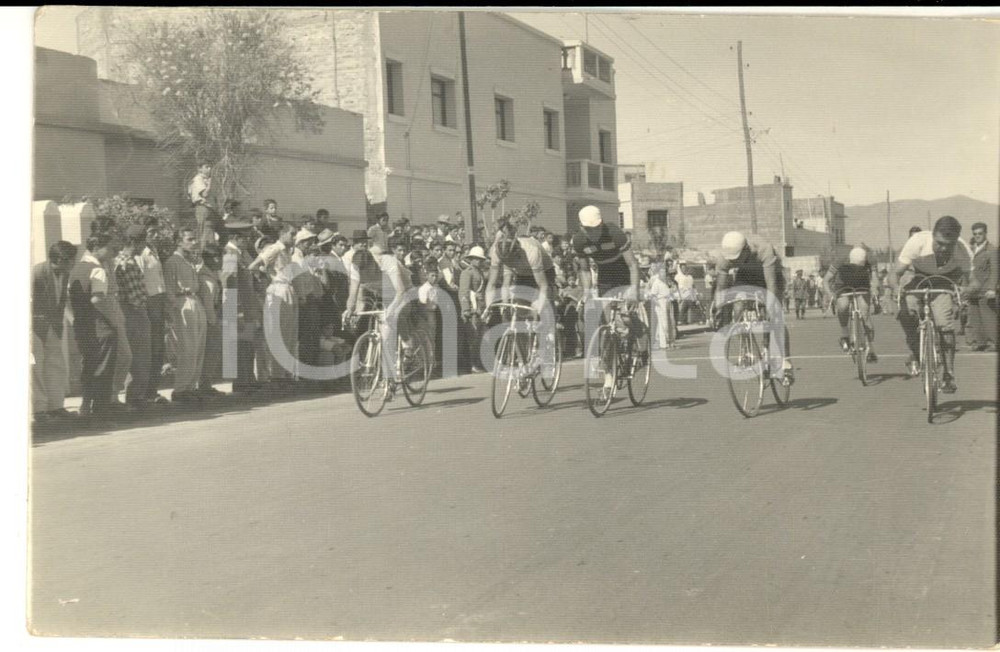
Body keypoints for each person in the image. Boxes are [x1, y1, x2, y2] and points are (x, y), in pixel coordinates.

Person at [894, 215, 971, 391]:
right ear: (933, 235)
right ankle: (914, 352)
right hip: (918, 280)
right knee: (906, 313)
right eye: (939, 243)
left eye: (949, 245)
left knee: (945, 326)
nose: (943, 249)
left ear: (956, 240)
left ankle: (948, 374)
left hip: (943, 283)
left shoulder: (962, 249)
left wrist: (966, 290)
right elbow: (895, 273)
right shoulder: (917, 241)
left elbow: (972, 280)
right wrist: (895, 289)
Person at [714, 231, 794, 385]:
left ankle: (786, 362)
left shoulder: (764, 249)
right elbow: (721, 288)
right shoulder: (724, 257)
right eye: (732, 261)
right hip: (746, 275)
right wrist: (718, 308)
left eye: (737, 259)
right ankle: (745, 351)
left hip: (770, 274)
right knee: (737, 307)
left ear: (746, 249)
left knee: (775, 315)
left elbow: (771, 286)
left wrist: (771, 306)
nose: (734, 263)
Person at [68, 232, 125, 417]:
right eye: (108, 247)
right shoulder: (98, 269)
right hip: (100, 327)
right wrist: (114, 321)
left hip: (83, 326)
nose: (111, 252)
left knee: (89, 367)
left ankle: (85, 407)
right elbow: (97, 299)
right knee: (104, 369)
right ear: (97, 247)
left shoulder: (76, 269)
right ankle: (100, 412)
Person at [249, 222, 299, 387]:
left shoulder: (286, 251)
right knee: (279, 333)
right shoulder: (274, 249)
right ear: (283, 234)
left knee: (290, 334)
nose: (294, 237)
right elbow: (254, 266)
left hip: (288, 289)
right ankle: (277, 375)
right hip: (278, 290)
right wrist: (264, 278)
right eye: (292, 234)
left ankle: (285, 372)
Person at [32, 240, 77, 423]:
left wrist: (71, 320)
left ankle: (56, 406)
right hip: (33, 327)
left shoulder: (64, 274)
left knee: (56, 365)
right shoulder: (36, 273)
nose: (73, 263)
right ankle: (39, 410)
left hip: (53, 326)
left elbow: (62, 300)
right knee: (35, 367)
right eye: (71, 260)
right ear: (60, 259)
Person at [163, 227, 209, 404]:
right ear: (179, 241)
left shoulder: (191, 261)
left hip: (194, 300)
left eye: (194, 239)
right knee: (187, 348)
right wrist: (174, 309)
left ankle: (190, 387)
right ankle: (181, 388)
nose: (194, 242)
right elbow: (169, 289)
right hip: (183, 303)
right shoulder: (172, 262)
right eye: (189, 239)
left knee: (198, 346)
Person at [114, 224, 154, 409]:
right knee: (141, 356)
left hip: (126, 312)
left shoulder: (120, 260)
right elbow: (135, 296)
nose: (143, 246)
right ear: (133, 242)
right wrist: (144, 312)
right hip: (133, 312)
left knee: (133, 356)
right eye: (141, 242)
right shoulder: (127, 263)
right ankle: (135, 397)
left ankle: (133, 396)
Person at [220, 219, 263, 393]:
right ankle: (240, 382)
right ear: (236, 237)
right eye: (245, 238)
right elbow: (229, 284)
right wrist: (236, 313)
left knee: (246, 344)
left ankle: (247, 378)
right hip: (237, 306)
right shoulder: (230, 254)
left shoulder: (241, 254)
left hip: (247, 306)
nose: (248, 241)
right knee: (238, 345)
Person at [824, 247, 880, 362]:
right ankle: (844, 333)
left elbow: (875, 278)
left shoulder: (871, 259)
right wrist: (830, 294)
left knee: (865, 314)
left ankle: (871, 348)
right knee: (843, 306)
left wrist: (875, 289)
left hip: (862, 283)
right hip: (843, 284)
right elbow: (826, 280)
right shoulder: (840, 260)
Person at [196, 243, 226, 398]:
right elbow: (208, 304)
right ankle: (203, 385)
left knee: (212, 353)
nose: (220, 260)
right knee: (209, 352)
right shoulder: (206, 279)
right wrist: (214, 322)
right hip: (209, 319)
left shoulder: (213, 274)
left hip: (213, 316)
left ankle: (206, 384)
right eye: (216, 257)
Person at [965, 222, 998, 352]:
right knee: (975, 317)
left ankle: (992, 342)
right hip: (973, 289)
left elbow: (995, 270)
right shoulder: (971, 250)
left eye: (980, 233)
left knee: (988, 317)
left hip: (985, 289)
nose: (977, 236)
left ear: (985, 233)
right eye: (975, 234)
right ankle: (979, 342)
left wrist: (992, 288)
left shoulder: (991, 250)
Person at [458, 245, 489, 373]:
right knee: (473, 338)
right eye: (476, 258)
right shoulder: (467, 272)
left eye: (480, 259)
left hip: (480, 308)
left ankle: (477, 362)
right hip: (472, 309)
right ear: (471, 259)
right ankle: (472, 364)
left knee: (480, 337)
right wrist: (466, 309)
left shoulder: (480, 272)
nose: (478, 261)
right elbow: (463, 292)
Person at [188, 159, 218, 247]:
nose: (209, 169)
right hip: (203, 208)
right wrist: (210, 183)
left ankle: (210, 252)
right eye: (207, 167)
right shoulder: (198, 179)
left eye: (210, 167)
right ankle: (205, 255)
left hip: (209, 209)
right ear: (199, 169)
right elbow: (205, 194)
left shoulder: (207, 179)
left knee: (210, 233)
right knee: (205, 233)